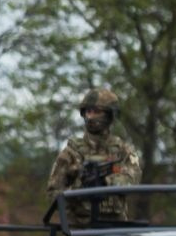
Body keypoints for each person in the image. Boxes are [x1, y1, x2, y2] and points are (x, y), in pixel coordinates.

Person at [47, 85, 141, 225]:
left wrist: (106, 181)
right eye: (88, 112)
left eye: (97, 112)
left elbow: (133, 179)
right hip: (81, 232)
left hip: (116, 229)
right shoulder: (71, 153)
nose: (90, 117)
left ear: (110, 115)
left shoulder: (123, 151)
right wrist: (78, 190)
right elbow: (53, 195)